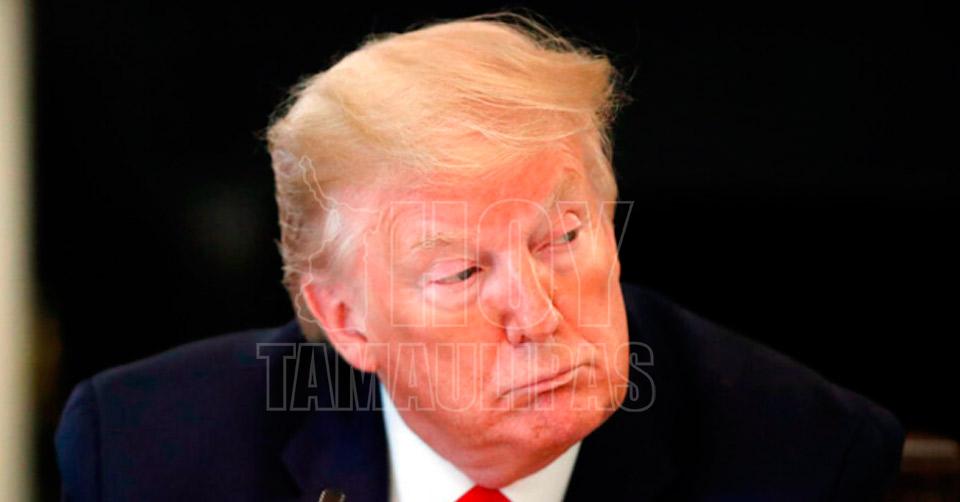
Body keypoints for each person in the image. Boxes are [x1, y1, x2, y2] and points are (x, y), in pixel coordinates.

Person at [56, 13, 904, 501]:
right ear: (348, 321)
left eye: (561, 238)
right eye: (462, 273)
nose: (538, 315)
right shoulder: (142, 451)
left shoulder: (803, 457)